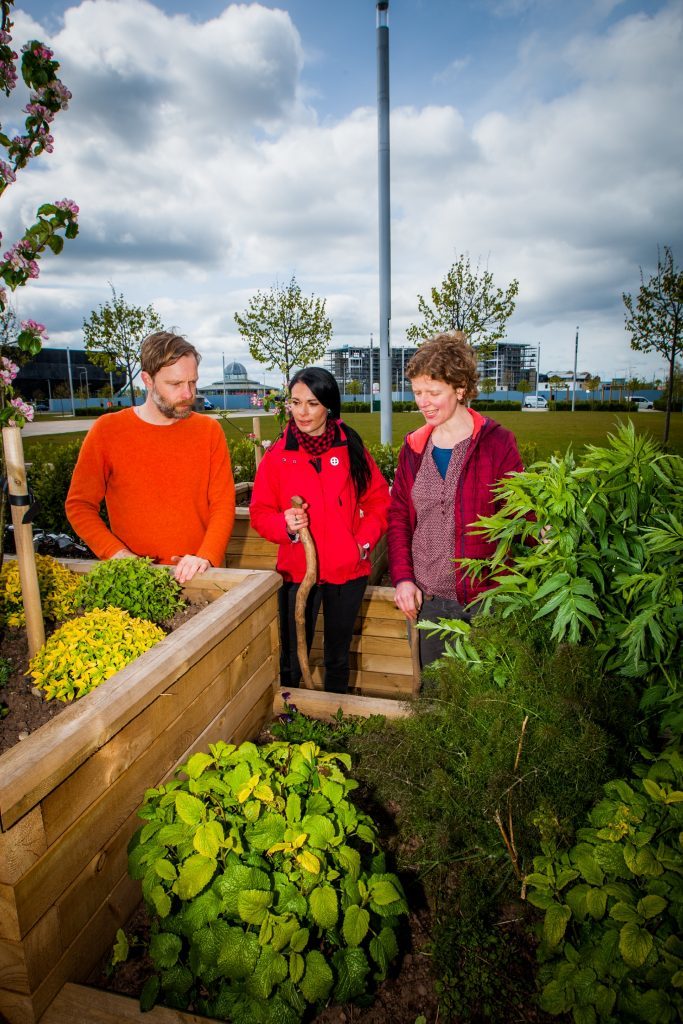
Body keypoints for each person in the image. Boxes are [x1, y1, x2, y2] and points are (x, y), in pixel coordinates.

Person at [250, 366, 390, 693]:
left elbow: (380, 501)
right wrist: (284, 525)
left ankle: (334, 717)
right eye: (295, 402)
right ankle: (292, 717)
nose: (302, 412)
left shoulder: (351, 446)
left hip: (347, 570)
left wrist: (362, 544)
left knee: (338, 657)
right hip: (297, 573)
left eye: (312, 403)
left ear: (328, 404)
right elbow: (259, 513)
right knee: (289, 656)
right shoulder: (277, 456)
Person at [388, 331, 524, 667]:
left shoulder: (497, 443)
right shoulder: (415, 447)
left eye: (433, 392)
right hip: (429, 601)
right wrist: (403, 578)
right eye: (418, 392)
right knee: (433, 695)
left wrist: (546, 531)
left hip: (485, 602)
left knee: (479, 701)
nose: (423, 402)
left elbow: (520, 515)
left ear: (460, 389)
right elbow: (399, 518)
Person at [66, 331, 235, 583]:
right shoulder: (108, 430)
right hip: (135, 580)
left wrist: (206, 556)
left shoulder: (209, 431)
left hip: (200, 575)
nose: (188, 394)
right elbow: (79, 505)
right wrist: (117, 555)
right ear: (147, 379)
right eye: (176, 384)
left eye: (192, 382)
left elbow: (222, 504)